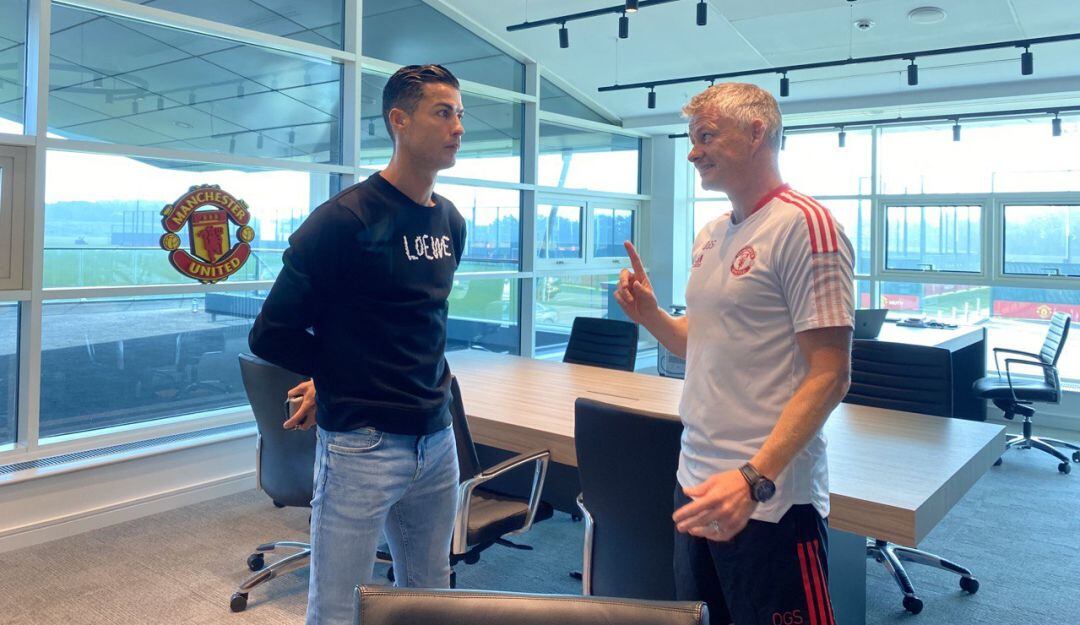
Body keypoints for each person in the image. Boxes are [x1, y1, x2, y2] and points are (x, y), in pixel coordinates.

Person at [614, 83, 854, 625]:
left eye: (706, 136)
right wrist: (651, 315)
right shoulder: (711, 232)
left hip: (769, 498)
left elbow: (830, 374)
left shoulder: (805, 226)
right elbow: (695, 344)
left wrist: (753, 478)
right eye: (691, 138)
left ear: (756, 132)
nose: (693, 151)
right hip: (696, 482)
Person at [248, 64, 467, 625]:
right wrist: (342, 375)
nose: (457, 127)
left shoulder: (450, 221)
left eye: (460, 114)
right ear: (399, 120)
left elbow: (409, 322)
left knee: (429, 599)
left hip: (436, 439)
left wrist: (334, 372)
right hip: (363, 446)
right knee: (339, 608)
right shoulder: (343, 221)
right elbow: (272, 333)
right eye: (443, 112)